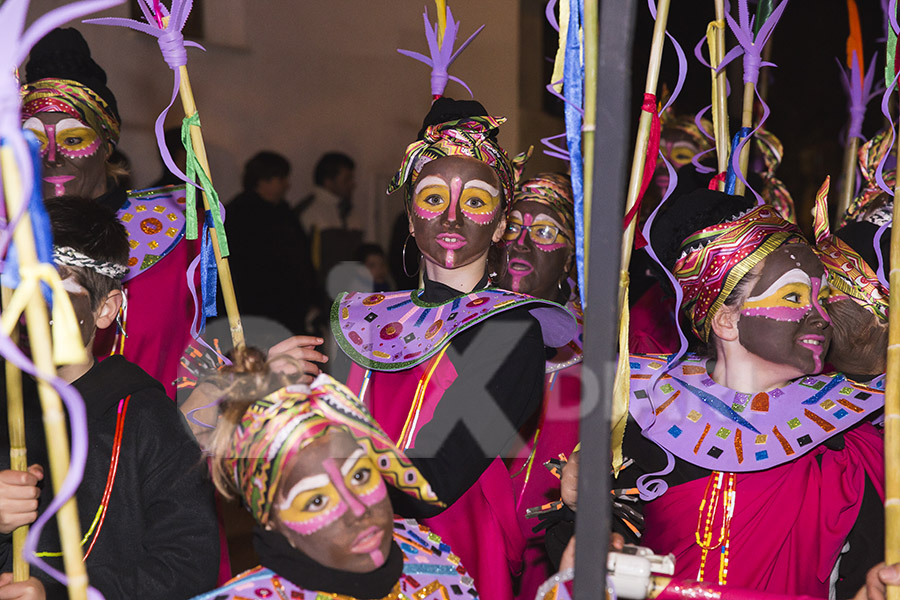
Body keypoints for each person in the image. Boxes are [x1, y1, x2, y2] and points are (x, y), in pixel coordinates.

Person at [555, 189, 884, 598]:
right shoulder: (645, 417)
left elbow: (867, 575)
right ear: (727, 320)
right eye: (795, 297)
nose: (819, 315)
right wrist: (582, 512)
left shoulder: (850, 440)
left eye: (821, 297)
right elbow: (600, 558)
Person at [330, 98, 576, 600]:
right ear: (411, 212)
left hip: (452, 556)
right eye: (434, 196)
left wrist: (310, 433)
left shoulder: (513, 329)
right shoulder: (360, 316)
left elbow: (437, 478)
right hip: (350, 546)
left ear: (502, 225)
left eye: (477, 201)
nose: (453, 215)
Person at [0, 196, 220, 599]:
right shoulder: (6, 408)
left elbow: (190, 564)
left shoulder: (145, 419)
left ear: (105, 308)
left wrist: (63, 596)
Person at [190, 351, 480, 599]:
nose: (358, 510)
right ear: (273, 522)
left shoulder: (428, 553)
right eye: (316, 501)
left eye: (360, 477)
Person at [20, 27, 197, 399]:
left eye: (73, 139)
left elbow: (203, 350)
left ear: (107, 145)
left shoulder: (177, 235)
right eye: (33, 140)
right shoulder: (10, 240)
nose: (51, 157)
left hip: (147, 449)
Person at [496, 173, 583, 600]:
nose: (521, 243)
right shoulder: (456, 327)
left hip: (551, 551)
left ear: (571, 257)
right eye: (512, 227)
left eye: (546, 232)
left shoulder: (606, 349)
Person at [225, 151, 317, 334]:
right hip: (256, 306)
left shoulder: (284, 212)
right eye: (280, 178)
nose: (286, 185)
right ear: (263, 180)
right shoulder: (240, 213)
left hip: (289, 306)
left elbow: (301, 255)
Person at [295, 152, 364, 282]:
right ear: (328, 181)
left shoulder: (349, 210)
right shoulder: (310, 211)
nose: (352, 184)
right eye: (346, 179)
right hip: (321, 295)